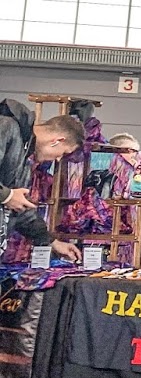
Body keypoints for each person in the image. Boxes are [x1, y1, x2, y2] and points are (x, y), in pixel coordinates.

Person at [0, 101, 85, 263]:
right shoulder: (5, 127)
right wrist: (7, 196)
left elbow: (22, 211)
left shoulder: (24, 157)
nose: (59, 159)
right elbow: (11, 198)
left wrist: (53, 241)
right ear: (57, 140)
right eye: (63, 153)